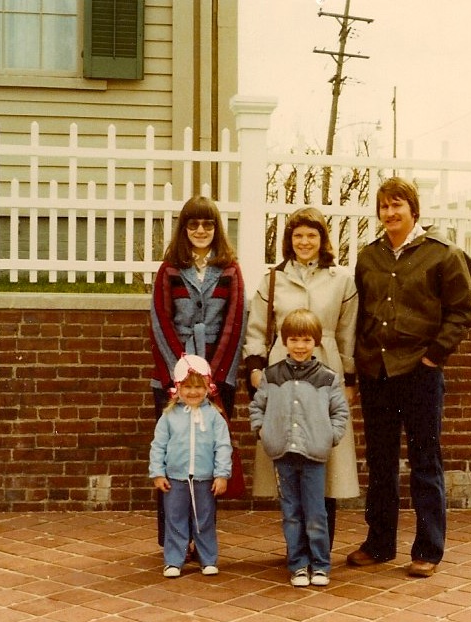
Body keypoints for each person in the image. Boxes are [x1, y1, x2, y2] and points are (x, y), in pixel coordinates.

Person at [348, 176, 471, 578]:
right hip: (377, 373)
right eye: (384, 207)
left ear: (413, 210)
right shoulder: (369, 257)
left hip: (420, 374)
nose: (390, 213)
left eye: (397, 206)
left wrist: (434, 357)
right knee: (380, 462)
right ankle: (380, 542)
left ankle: (428, 548)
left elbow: (462, 313)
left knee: (425, 461)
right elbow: (360, 312)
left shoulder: (443, 255)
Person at [243, 206, 359, 548]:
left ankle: (321, 545)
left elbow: (347, 333)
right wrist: (255, 367)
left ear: (323, 240)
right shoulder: (274, 279)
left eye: (312, 235)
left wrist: (349, 379)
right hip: (283, 373)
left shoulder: (341, 281)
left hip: (325, 374)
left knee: (325, 455)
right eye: (298, 236)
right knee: (290, 455)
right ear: (288, 241)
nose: (304, 242)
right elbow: (257, 329)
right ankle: (297, 547)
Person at [149, 195, 246, 548]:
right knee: (174, 458)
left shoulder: (230, 270)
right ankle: (173, 539)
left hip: (217, 379)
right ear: (184, 229)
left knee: (208, 460)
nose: (201, 230)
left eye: (207, 224)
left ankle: (201, 540)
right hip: (173, 376)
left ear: (217, 228)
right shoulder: (169, 269)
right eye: (193, 224)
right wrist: (182, 370)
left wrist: (212, 377)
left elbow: (235, 323)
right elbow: (160, 321)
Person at [248, 309, 349, 587]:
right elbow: (257, 407)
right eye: (294, 340)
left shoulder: (327, 377)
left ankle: (320, 564)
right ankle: (298, 564)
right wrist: (262, 431)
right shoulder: (272, 375)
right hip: (282, 454)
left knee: (316, 512)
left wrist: (330, 436)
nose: (300, 346)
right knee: (291, 513)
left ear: (315, 342)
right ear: (284, 342)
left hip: (314, 454)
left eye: (306, 340)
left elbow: (340, 412)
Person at [149, 354, 233, 578]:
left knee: (203, 519)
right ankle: (174, 560)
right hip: (175, 479)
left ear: (208, 387)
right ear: (178, 387)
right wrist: (157, 472)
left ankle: (208, 559)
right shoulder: (168, 417)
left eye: (199, 386)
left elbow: (223, 446)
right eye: (187, 387)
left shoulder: (215, 416)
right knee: (174, 519)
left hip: (205, 479)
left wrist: (221, 474)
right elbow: (158, 446)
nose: (193, 392)